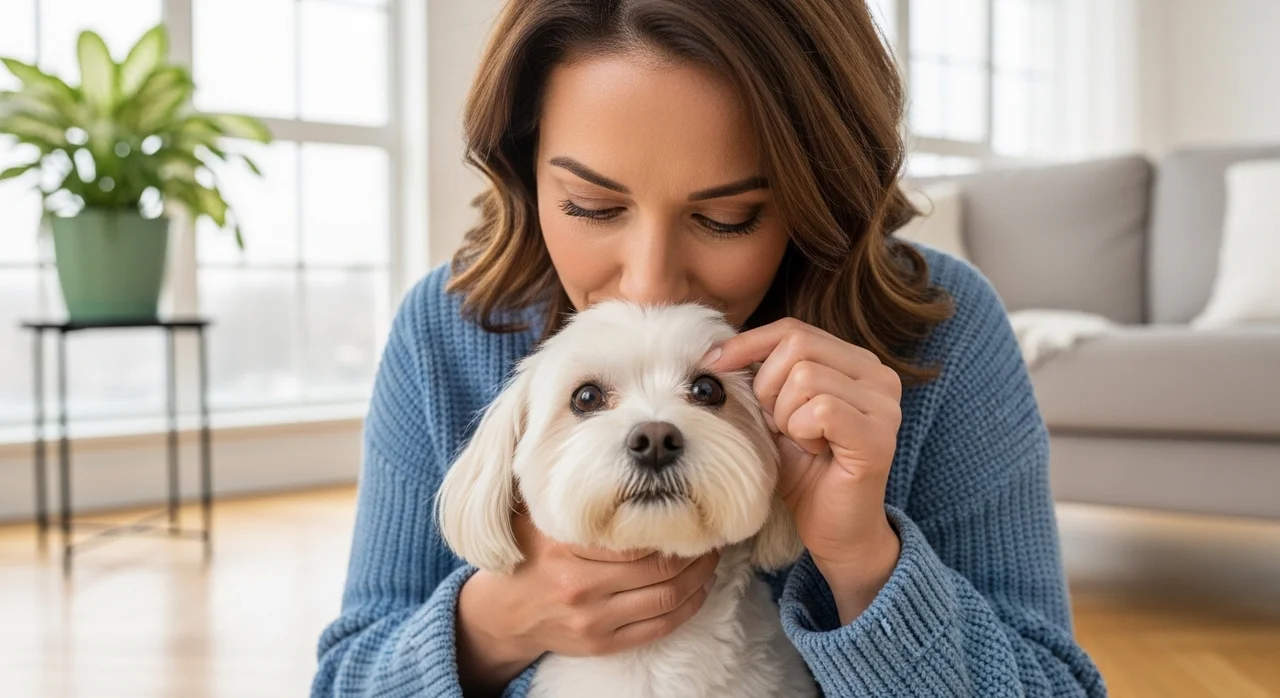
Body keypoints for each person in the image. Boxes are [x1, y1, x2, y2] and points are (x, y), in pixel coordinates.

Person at [311, 1, 1107, 696]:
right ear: (525, 169)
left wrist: (865, 560)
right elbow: (346, 681)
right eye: (591, 206)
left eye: (727, 219)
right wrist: (496, 626)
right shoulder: (450, 327)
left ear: (815, 189)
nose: (650, 285)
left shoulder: (943, 325)